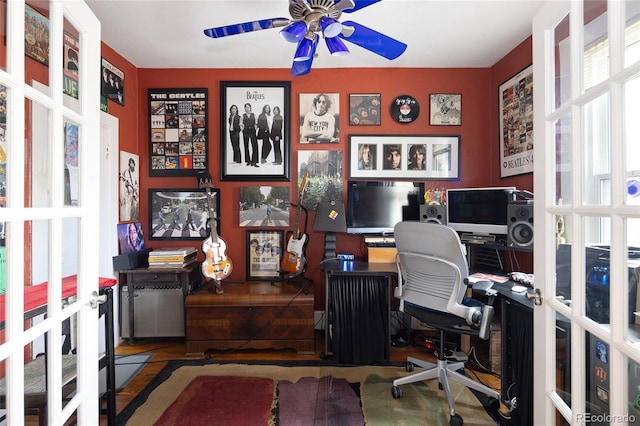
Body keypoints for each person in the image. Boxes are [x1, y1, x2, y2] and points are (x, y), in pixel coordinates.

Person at [242, 103, 258, 167]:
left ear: (250, 108)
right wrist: (243, 129)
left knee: (254, 146)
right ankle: (248, 161)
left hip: (252, 131)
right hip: (245, 132)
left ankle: (254, 161)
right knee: (246, 146)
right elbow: (241, 123)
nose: (247, 108)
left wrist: (255, 129)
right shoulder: (243, 116)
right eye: (246, 107)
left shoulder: (254, 115)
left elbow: (256, 123)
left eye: (248, 107)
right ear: (245, 108)